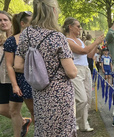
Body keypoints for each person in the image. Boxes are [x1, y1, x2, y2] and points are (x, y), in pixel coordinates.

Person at [14, 0, 78, 136]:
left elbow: (18, 65)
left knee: (44, 129)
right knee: (63, 131)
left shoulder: (26, 34)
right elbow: (71, 72)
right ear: (53, 11)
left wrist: (38, 70)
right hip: (60, 94)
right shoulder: (57, 37)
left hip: (39, 92)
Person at [63, 17, 104, 132]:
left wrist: (96, 44)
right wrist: (95, 42)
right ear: (70, 27)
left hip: (86, 69)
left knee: (87, 98)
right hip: (76, 70)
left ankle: (84, 124)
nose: (80, 28)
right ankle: (74, 122)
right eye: (78, 26)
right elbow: (83, 51)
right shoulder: (67, 40)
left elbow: (89, 55)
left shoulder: (80, 40)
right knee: (81, 99)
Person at [4, 11, 34, 137]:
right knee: (13, 110)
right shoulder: (11, 41)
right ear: (23, 24)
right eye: (32, 23)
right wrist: (15, 85)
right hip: (17, 80)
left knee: (34, 111)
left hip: (32, 80)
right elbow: (9, 66)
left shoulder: (36, 40)